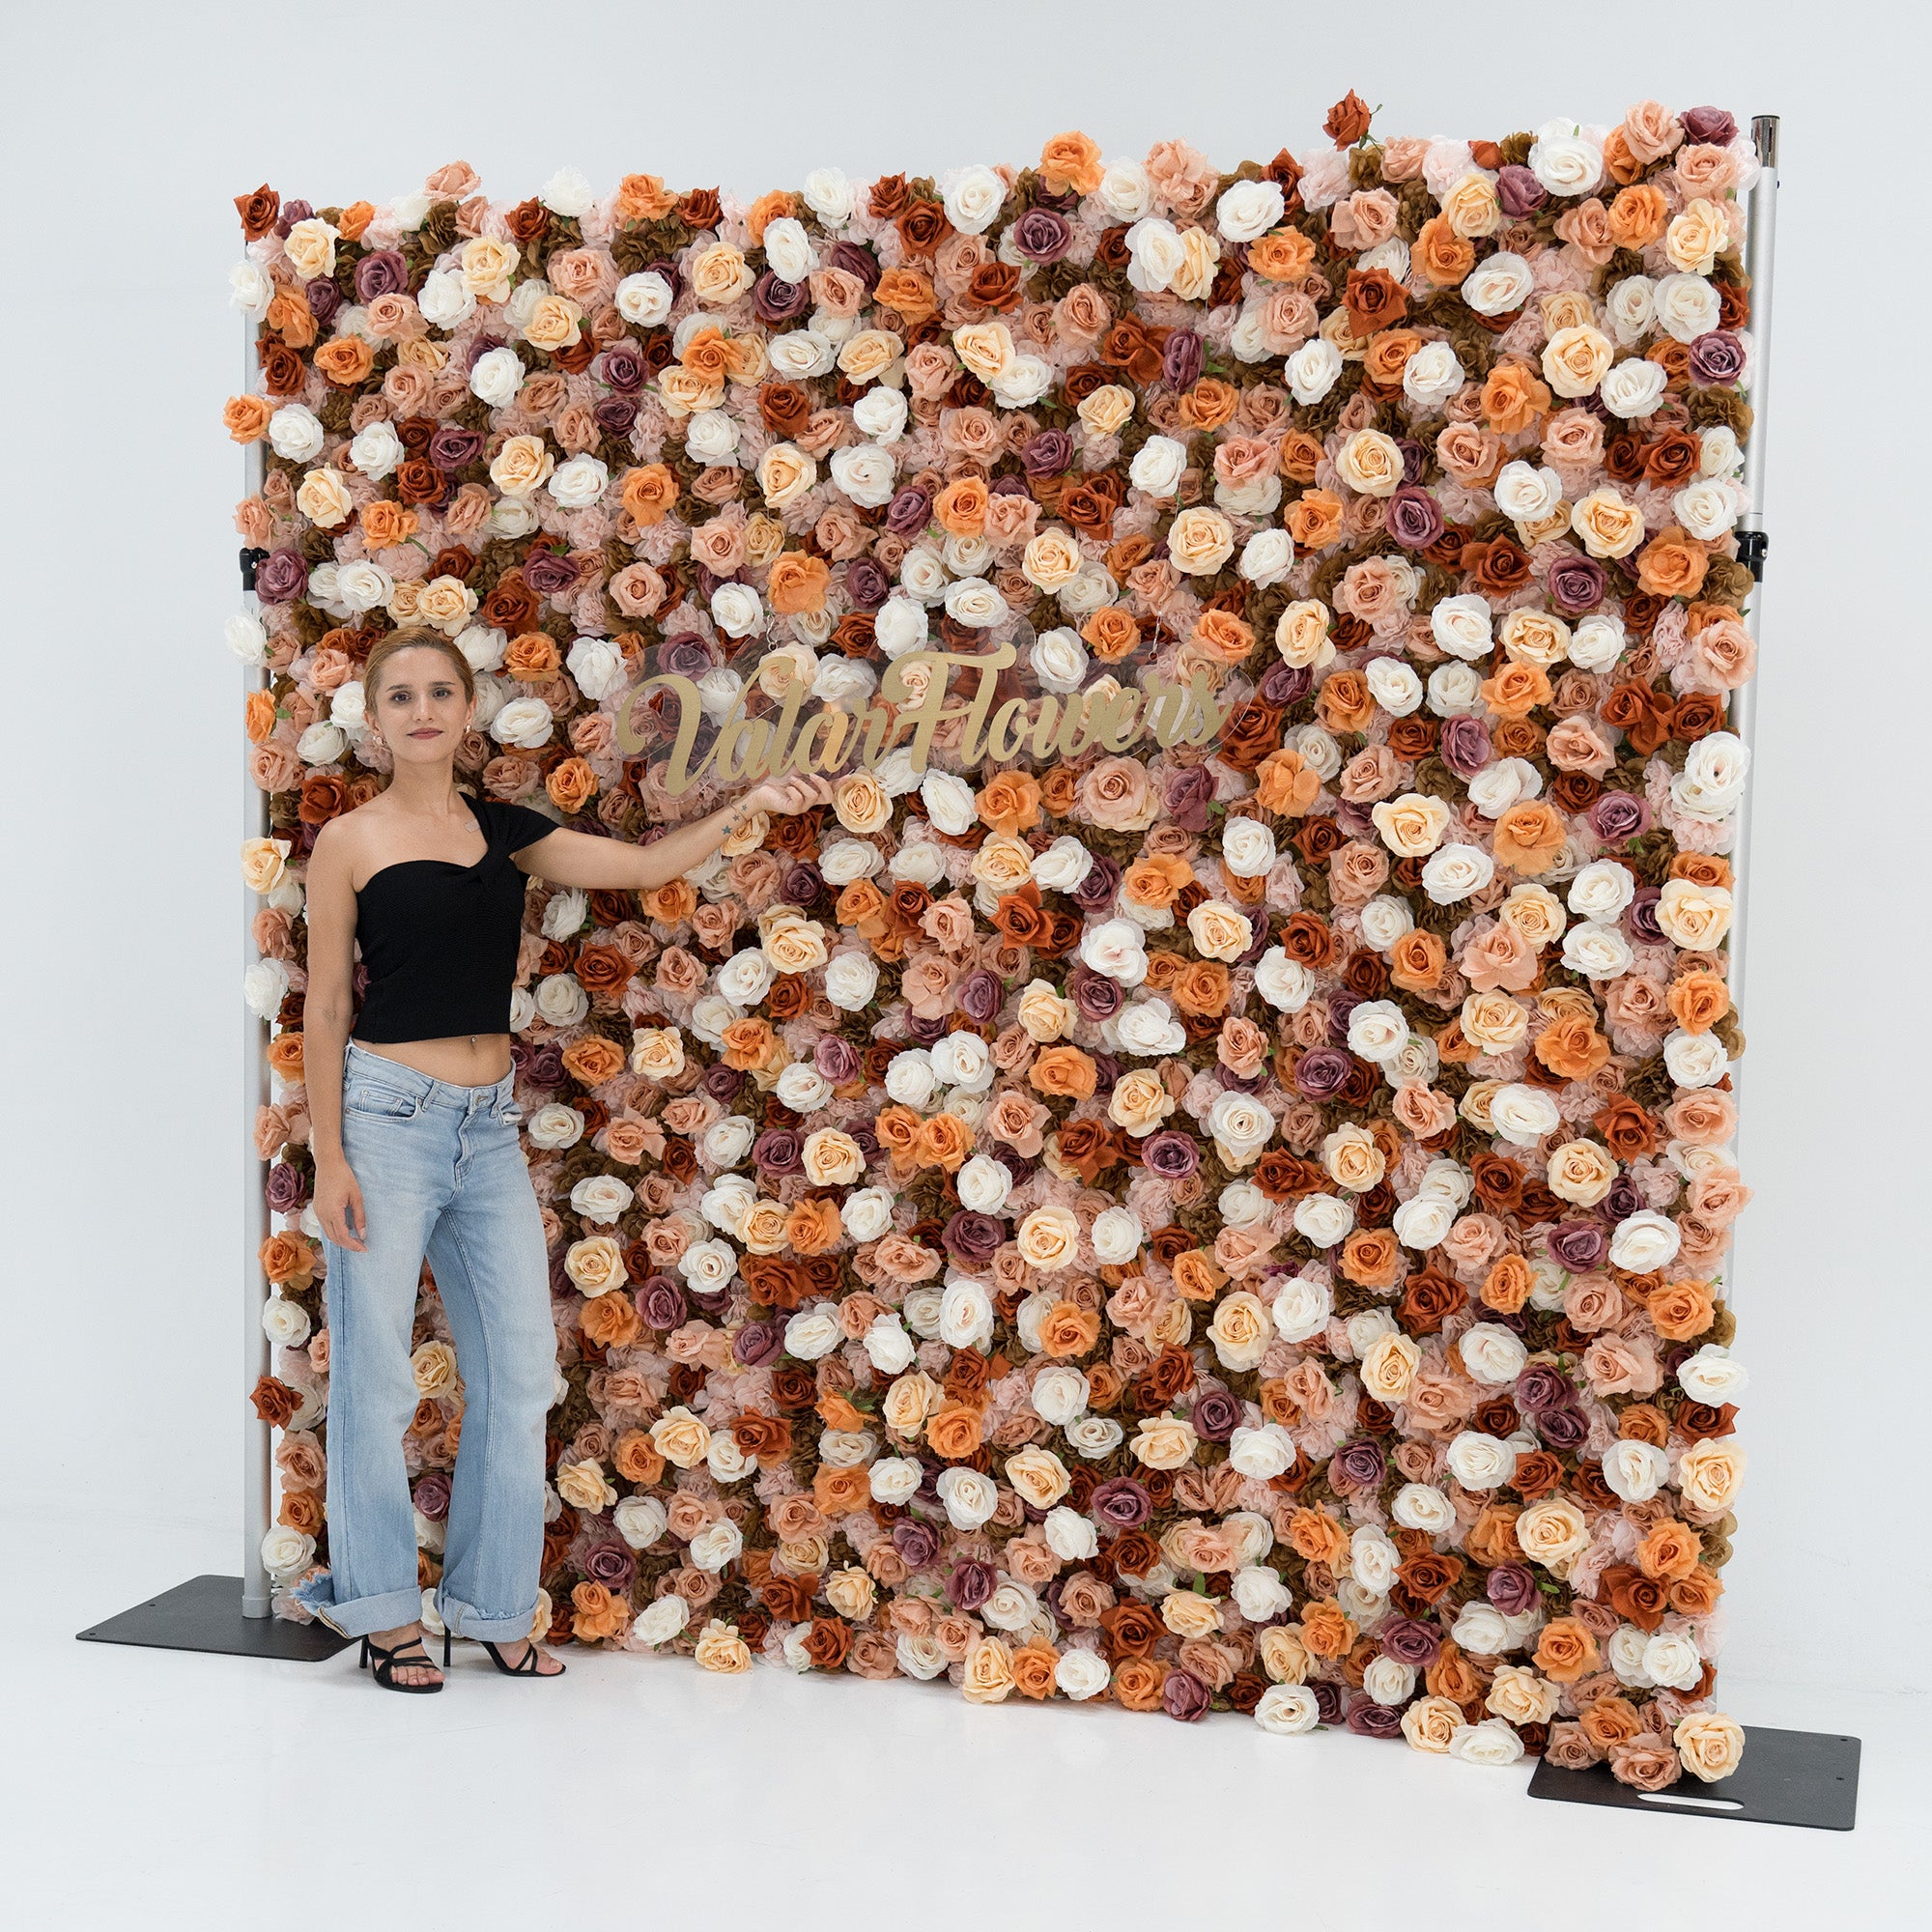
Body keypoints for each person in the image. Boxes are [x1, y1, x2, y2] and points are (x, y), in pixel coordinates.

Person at [292, 626, 833, 1690]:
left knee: (521, 1372)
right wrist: (330, 1156)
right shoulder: (349, 840)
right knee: (375, 1378)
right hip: (387, 1119)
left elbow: (636, 867)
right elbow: (322, 1005)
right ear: (374, 716)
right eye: (400, 695)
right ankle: (384, 1614)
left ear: (466, 705)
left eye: (440, 689)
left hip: (485, 1126)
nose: (422, 710)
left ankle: (490, 1605)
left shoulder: (502, 830)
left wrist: (745, 813)